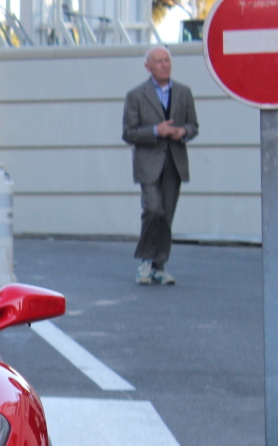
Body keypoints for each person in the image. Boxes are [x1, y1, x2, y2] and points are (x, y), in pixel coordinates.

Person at [122, 46, 198, 286]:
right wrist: (157, 130)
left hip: (174, 161)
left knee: (166, 216)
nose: (165, 65)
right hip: (148, 162)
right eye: (159, 61)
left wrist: (182, 131)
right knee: (153, 209)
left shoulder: (184, 92)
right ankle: (146, 261)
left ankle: (159, 266)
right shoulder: (136, 95)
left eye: (167, 60)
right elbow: (128, 132)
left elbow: (194, 125)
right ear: (148, 67)